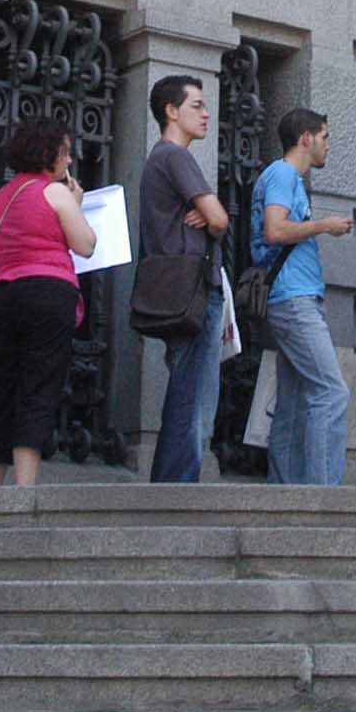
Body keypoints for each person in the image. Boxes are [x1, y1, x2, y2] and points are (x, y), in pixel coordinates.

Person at [0, 119, 96, 486]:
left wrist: (17, 256)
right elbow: (85, 244)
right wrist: (77, 204)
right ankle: (24, 487)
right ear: (51, 154)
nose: (69, 159)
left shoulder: (2, 195)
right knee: (39, 384)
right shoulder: (56, 193)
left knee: (4, 385)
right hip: (48, 292)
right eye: (66, 151)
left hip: (4, 293)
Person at [251, 108, 351, 484]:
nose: (328, 145)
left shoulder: (282, 177)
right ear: (305, 138)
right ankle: (324, 497)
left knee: (292, 405)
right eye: (325, 136)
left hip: (287, 298)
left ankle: (286, 493)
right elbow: (275, 230)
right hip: (293, 299)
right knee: (331, 393)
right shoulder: (282, 174)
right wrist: (324, 225)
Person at [138, 74, 230, 483]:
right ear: (171, 112)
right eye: (196, 105)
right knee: (193, 397)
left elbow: (210, 216)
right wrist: (210, 217)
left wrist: (206, 216)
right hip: (191, 289)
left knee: (187, 388)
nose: (206, 113)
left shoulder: (159, 158)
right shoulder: (175, 157)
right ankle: (177, 488)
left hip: (175, 289)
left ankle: (171, 484)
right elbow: (220, 219)